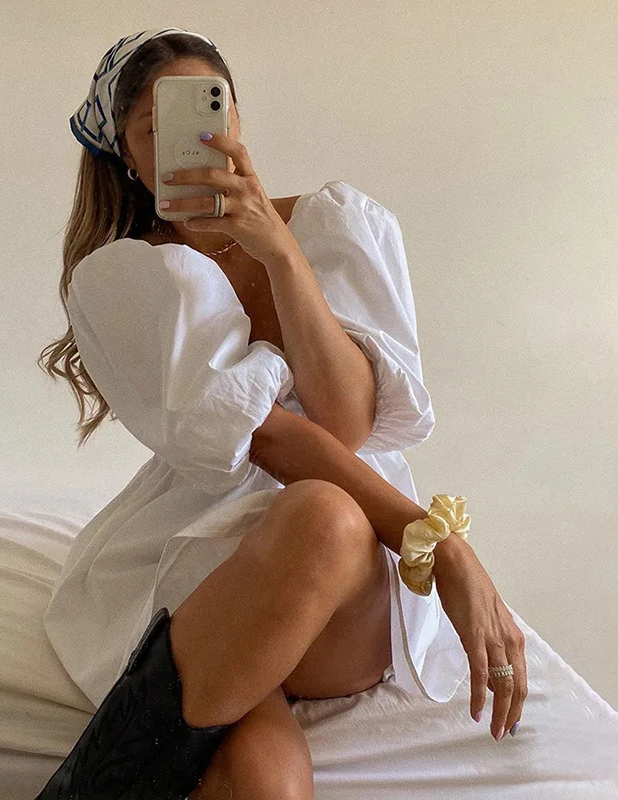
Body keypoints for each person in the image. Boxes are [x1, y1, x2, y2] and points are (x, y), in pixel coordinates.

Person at [34, 28, 526, 800]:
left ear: (236, 119)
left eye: (210, 110)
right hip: (208, 555)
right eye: (156, 130)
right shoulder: (125, 276)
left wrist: (280, 253)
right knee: (262, 780)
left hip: (347, 570)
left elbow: (347, 425)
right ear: (127, 157)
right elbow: (261, 435)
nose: (191, 140)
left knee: (326, 516)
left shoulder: (335, 227)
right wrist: (444, 548)